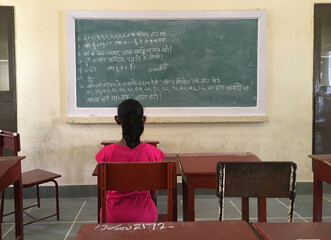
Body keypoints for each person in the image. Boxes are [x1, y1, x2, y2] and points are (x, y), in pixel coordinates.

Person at [95, 99, 165, 223]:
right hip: (145, 216)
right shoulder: (153, 153)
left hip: (112, 216)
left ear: (117, 120)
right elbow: (154, 194)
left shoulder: (105, 154)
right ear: (143, 119)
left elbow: (103, 192)